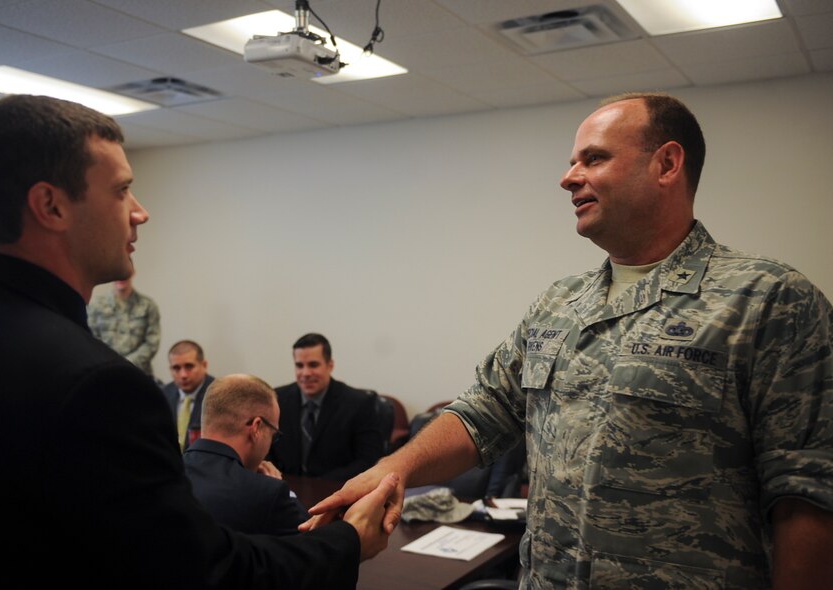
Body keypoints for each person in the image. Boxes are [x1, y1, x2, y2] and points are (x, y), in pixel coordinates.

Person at [307, 93, 833, 588]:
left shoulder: (768, 299)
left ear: (667, 165)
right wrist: (390, 470)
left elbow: (806, 496)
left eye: (594, 158)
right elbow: (483, 411)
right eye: (572, 162)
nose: (568, 178)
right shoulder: (560, 303)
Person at [0, 94, 398, 588]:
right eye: (122, 191)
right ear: (51, 205)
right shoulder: (102, 386)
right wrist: (347, 541)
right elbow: (200, 571)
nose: (140, 213)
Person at [184, 374, 308, 535]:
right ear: (256, 428)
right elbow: (312, 543)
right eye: (273, 435)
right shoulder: (266, 494)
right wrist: (278, 488)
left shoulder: (163, 474)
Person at [268, 333, 383, 481]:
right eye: (299, 365)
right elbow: (265, 448)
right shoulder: (276, 399)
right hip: (285, 489)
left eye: (313, 365)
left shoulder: (360, 403)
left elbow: (369, 461)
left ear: (330, 365)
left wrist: (318, 484)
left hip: (335, 490)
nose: (306, 373)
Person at [87, 271, 161, 377]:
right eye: (117, 272)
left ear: (133, 272)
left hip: (139, 374)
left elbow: (152, 343)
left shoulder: (148, 306)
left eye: (125, 272)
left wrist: (126, 363)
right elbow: (91, 339)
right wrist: (111, 363)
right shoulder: (96, 306)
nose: (121, 276)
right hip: (106, 372)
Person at [162, 339, 214, 450]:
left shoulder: (218, 394)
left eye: (189, 366)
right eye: (176, 368)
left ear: (204, 365)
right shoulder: (163, 395)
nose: (183, 375)